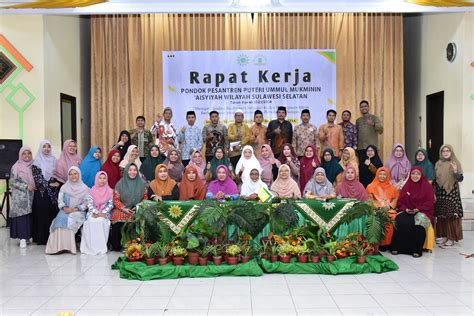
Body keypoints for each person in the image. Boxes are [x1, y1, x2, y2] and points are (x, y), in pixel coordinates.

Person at [391, 167, 435, 257]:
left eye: (418, 174)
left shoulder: (427, 187)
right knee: (400, 220)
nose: (415, 176)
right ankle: (397, 247)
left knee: (419, 222)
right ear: (410, 175)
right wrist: (406, 209)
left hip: (423, 211)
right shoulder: (407, 186)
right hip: (407, 210)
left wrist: (418, 209)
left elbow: (429, 203)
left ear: (421, 175)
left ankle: (417, 250)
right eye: (413, 174)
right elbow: (400, 202)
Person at [45, 167, 89, 254]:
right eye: (71, 174)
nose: (73, 176)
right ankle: (56, 247)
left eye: (75, 173)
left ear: (79, 175)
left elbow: (86, 204)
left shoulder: (85, 189)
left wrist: (76, 209)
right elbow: (60, 201)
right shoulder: (64, 187)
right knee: (59, 219)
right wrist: (65, 208)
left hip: (78, 211)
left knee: (70, 219)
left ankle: (69, 247)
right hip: (66, 209)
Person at [110, 163, 147, 251]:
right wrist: (123, 208)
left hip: (137, 208)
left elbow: (145, 199)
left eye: (134, 170)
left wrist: (138, 207)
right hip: (123, 209)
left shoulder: (142, 183)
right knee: (117, 218)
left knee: (142, 218)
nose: (132, 172)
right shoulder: (120, 184)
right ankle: (117, 246)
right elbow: (116, 200)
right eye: (130, 170)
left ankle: (138, 244)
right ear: (126, 171)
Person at [434, 144, 464, 246]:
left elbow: (460, 179)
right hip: (441, 192)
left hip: (452, 192)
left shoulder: (455, 163)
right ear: (441, 153)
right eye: (443, 151)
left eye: (448, 151)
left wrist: (455, 171)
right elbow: (435, 179)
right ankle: (443, 236)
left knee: (451, 215)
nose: (445, 153)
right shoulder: (438, 164)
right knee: (441, 214)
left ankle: (451, 237)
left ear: (451, 152)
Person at [32, 140, 60, 245]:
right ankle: (42, 238)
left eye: (49, 146)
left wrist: (58, 183)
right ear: (41, 148)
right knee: (42, 215)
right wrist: (49, 184)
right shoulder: (36, 162)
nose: (47, 149)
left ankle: (52, 238)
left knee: (52, 214)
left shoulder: (54, 160)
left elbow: (58, 175)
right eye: (44, 146)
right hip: (42, 193)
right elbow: (37, 179)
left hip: (53, 194)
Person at [80, 171, 113, 255]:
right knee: (91, 222)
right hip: (93, 213)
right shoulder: (92, 190)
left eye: (104, 178)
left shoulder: (110, 191)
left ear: (106, 179)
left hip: (105, 213)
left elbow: (110, 204)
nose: (102, 180)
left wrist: (103, 213)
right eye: (100, 178)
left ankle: (101, 247)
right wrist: (96, 212)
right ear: (96, 179)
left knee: (101, 221)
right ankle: (90, 247)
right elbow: (89, 204)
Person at [366, 167, 399, 248]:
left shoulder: (392, 188)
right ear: (377, 174)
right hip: (375, 209)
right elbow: (369, 200)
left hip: (389, 210)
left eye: (384, 174)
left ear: (388, 176)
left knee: (392, 217)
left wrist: (389, 206)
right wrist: (378, 206)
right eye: (380, 174)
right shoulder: (370, 186)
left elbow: (395, 199)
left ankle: (386, 244)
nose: (382, 176)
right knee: (376, 217)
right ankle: (377, 243)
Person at [10, 147, 35, 248]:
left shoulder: (34, 165)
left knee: (29, 217)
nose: (27, 155)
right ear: (20, 155)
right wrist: (25, 186)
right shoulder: (16, 166)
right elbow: (12, 182)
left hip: (31, 195)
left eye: (29, 153)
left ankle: (28, 236)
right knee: (21, 217)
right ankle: (22, 239)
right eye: (24, 154)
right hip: (20, 197)